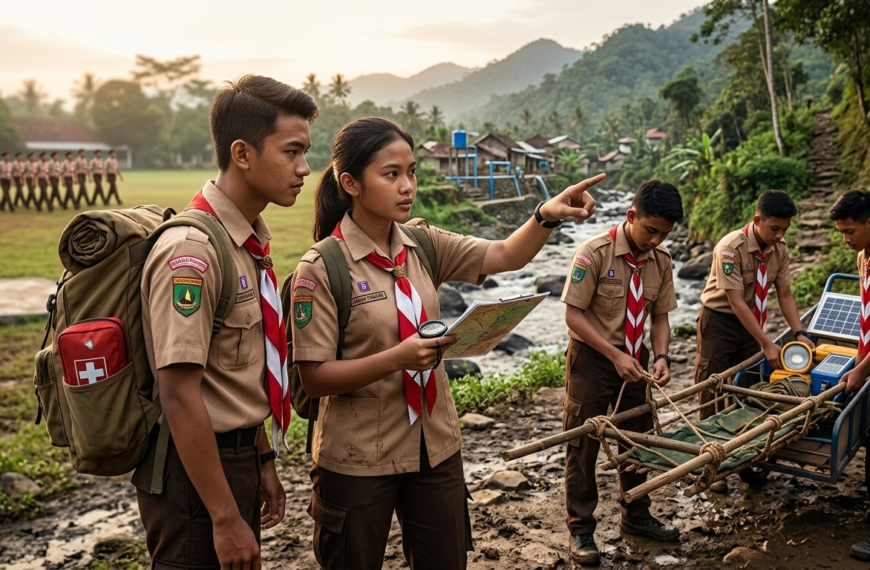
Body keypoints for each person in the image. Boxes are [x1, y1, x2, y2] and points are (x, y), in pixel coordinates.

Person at [291, 116, 600, 570]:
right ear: (350, 183)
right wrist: (398, 357)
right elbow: (314, 378)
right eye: (391, 174)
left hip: (434, 445)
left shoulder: (422, 243)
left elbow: (505, 255)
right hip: (357, 458)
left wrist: (544, 216)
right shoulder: (322, 268)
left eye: (411, 171)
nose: (407, 186)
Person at [132, 75, 318, 568]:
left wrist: (261, 460)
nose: (304, 169)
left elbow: (231, 374)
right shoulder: (193, 251)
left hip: (231, 458)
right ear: (242, 153)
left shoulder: (246, 243)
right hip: (192, 474)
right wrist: (223, 516)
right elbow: (179, 392)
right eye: (292, 152)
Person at [560, 180, 683, 566]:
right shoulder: (593, 254)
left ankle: (637, 514)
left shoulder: (660, 261)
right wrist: (613, 354)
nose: (656, 239)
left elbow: (660, 316)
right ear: (631, 217)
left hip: (635, 360)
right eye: (650, 230)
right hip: (595, 359)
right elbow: (573, 316)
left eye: (664, 233)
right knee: (584, 444)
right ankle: (581, 529)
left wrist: (660, 356)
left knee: (638, 438)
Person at [695, 189, 812, 492]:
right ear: (757, 219)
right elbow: (736, 302)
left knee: (749, 389)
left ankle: (747, 457)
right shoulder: (731, 247)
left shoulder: (780, 250)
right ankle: (711, 466)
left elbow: (784, 294)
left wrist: (799, 332)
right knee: (713, 387)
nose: (779, 234)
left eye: (784, 229)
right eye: (774, 228)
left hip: (753, 323)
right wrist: (766, 343)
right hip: (719, 322)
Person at [829, 189, 870, 562]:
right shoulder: (863, 258)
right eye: (840, 231)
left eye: (850, 230)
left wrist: (860, 369)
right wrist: (858, 360)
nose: (845, 238)